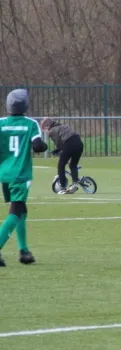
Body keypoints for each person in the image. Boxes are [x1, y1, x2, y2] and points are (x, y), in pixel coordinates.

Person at [0, 89, 48, 266]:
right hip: (20, 174)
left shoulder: (1, 123)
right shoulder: (30, 124)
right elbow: (37, 146)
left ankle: (24, 251)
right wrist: (43, 146)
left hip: (4, 174)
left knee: (21, 210)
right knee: (16, 210)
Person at [40, 117, 84, 195]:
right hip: (79, 143)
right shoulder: (62, 126)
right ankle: (75, 182)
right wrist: (59, 149)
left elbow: (59, 143)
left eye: (44, 130)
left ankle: (63, 187)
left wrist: (56, 150)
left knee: (61, 165)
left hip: (69, 144)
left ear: (47, 127)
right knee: (73, 165)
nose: (46, 132)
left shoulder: (52, 131)